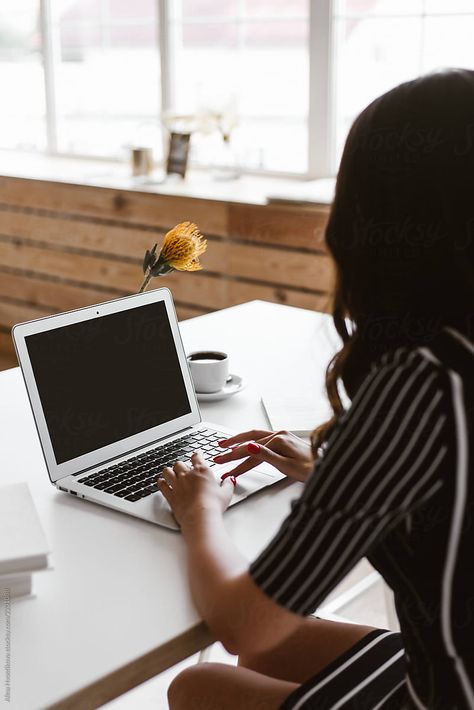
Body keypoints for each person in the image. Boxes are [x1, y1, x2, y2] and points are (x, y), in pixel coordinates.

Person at [158, 69, 474, 709]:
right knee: (266, 655)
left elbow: (243, 621)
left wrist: (200, 512)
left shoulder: (422, 383)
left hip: (446, 692)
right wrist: (335, 474)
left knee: (200, 682)